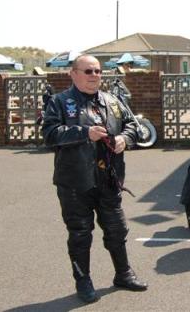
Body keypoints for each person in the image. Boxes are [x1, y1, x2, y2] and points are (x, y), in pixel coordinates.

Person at [42, 55, 147, 304]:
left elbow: (133, 126)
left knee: (117, 229)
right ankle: (83, 281)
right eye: (88, 71)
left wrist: (125, 139)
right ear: (74, 74)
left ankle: (123, 274)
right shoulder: (59, 102)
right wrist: (84, 133)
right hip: (75, 181)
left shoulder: (112, 100)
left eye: (98, 71)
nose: (94, 76)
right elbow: (49, 134)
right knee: (80, 233)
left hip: (108, 178)